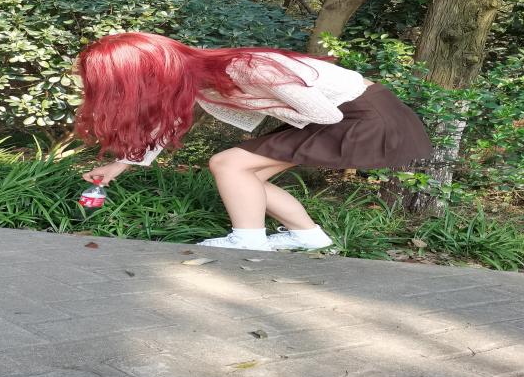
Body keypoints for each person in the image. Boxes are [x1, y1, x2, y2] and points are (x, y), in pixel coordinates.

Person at [75, 32, 432, 251]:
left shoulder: (246, 67)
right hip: (352, 112)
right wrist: (121, 164)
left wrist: (266, 106)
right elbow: (167, 123)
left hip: (359, 116)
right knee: (247, 175)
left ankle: (248, 239)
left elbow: (322, 112)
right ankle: (307, 236)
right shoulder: (195, 73)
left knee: (228, 164)